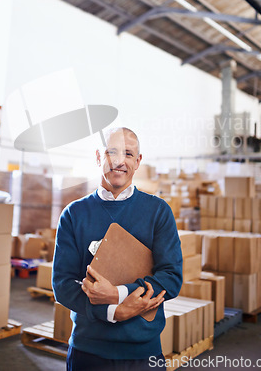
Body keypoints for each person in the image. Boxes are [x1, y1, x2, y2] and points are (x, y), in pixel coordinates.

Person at [52, 127, 183, 370]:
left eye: (128, 154)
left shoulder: (158, 212)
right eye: (111, 152)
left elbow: (171, 278)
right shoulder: (73, 214)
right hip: (88, 351)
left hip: (143, 353)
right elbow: (62, 285)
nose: (119, 161)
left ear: (138, 161)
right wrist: (113, 312)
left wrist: (117, 294)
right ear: (98, 156)